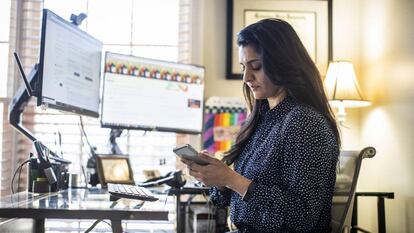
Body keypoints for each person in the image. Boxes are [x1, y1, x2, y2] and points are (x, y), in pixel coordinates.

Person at [182, 18, 340, 233]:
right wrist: (218, 177)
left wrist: (231, 178)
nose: (246, 77)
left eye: (256, 66)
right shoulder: (265, 118)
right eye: (243, 67)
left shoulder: (304, 122)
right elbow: (227, 198)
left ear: (283, 64)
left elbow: (302, 216)